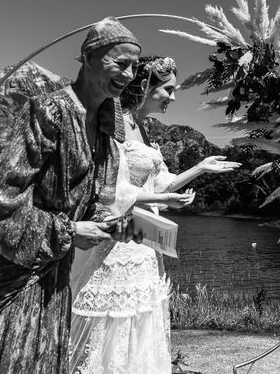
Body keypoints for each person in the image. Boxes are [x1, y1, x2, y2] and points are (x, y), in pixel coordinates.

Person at [0, 17, 143, 374]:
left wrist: (110, 225)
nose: (128, 75)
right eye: (120, 63)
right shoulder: (48, 112)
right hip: (7, 277)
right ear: (88, 57)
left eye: (135, 67)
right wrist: (68, 233)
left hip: (52, 277)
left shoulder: (108, 131)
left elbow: (92, 206)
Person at [69, 55, 240, 374]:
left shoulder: (144, 131)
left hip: (144, 244)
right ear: (147, 85)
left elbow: (162, 182)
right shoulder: (115, 123)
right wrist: (165, 199)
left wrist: (199, 168)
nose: (174, 97)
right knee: (112, 327)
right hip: (118, 248)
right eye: (169, 89)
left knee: (141, 326)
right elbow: (114, 192)